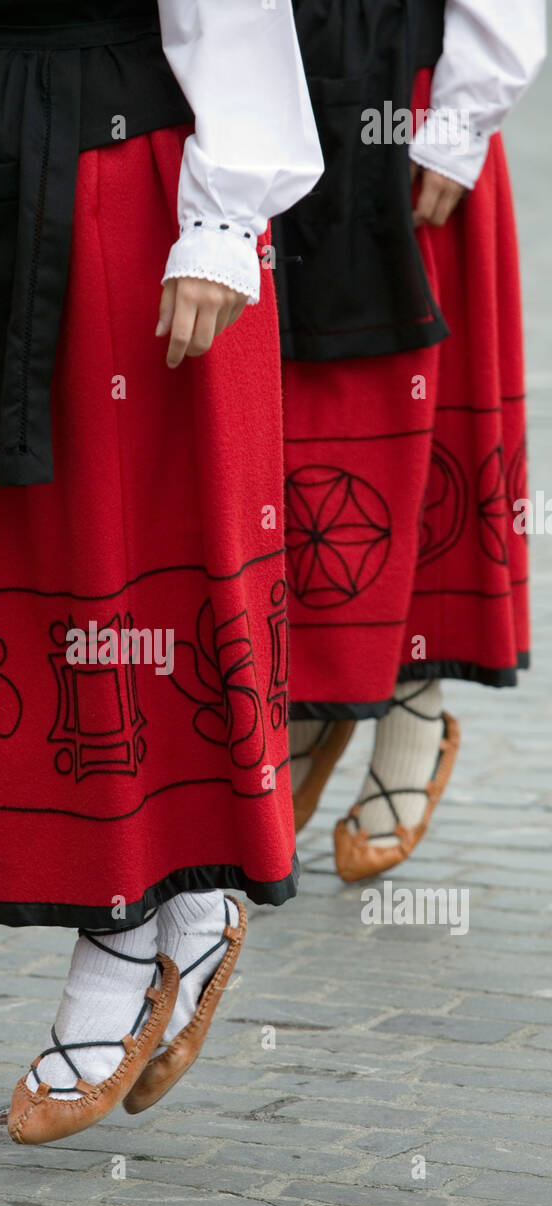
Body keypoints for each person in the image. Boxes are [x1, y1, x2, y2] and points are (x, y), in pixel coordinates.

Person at [0, 0, 323, 1143]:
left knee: (125, 567)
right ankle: (187, 909)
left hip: (124, 189)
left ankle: (133, 929)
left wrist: (219, 219)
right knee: (22, 559)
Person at [272, 0, 545, 879]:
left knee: (404, 431)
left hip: (412, 109)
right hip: (272, 102)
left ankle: (411, 708)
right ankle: (321, 690)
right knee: (292, 432)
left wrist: (457, 127)